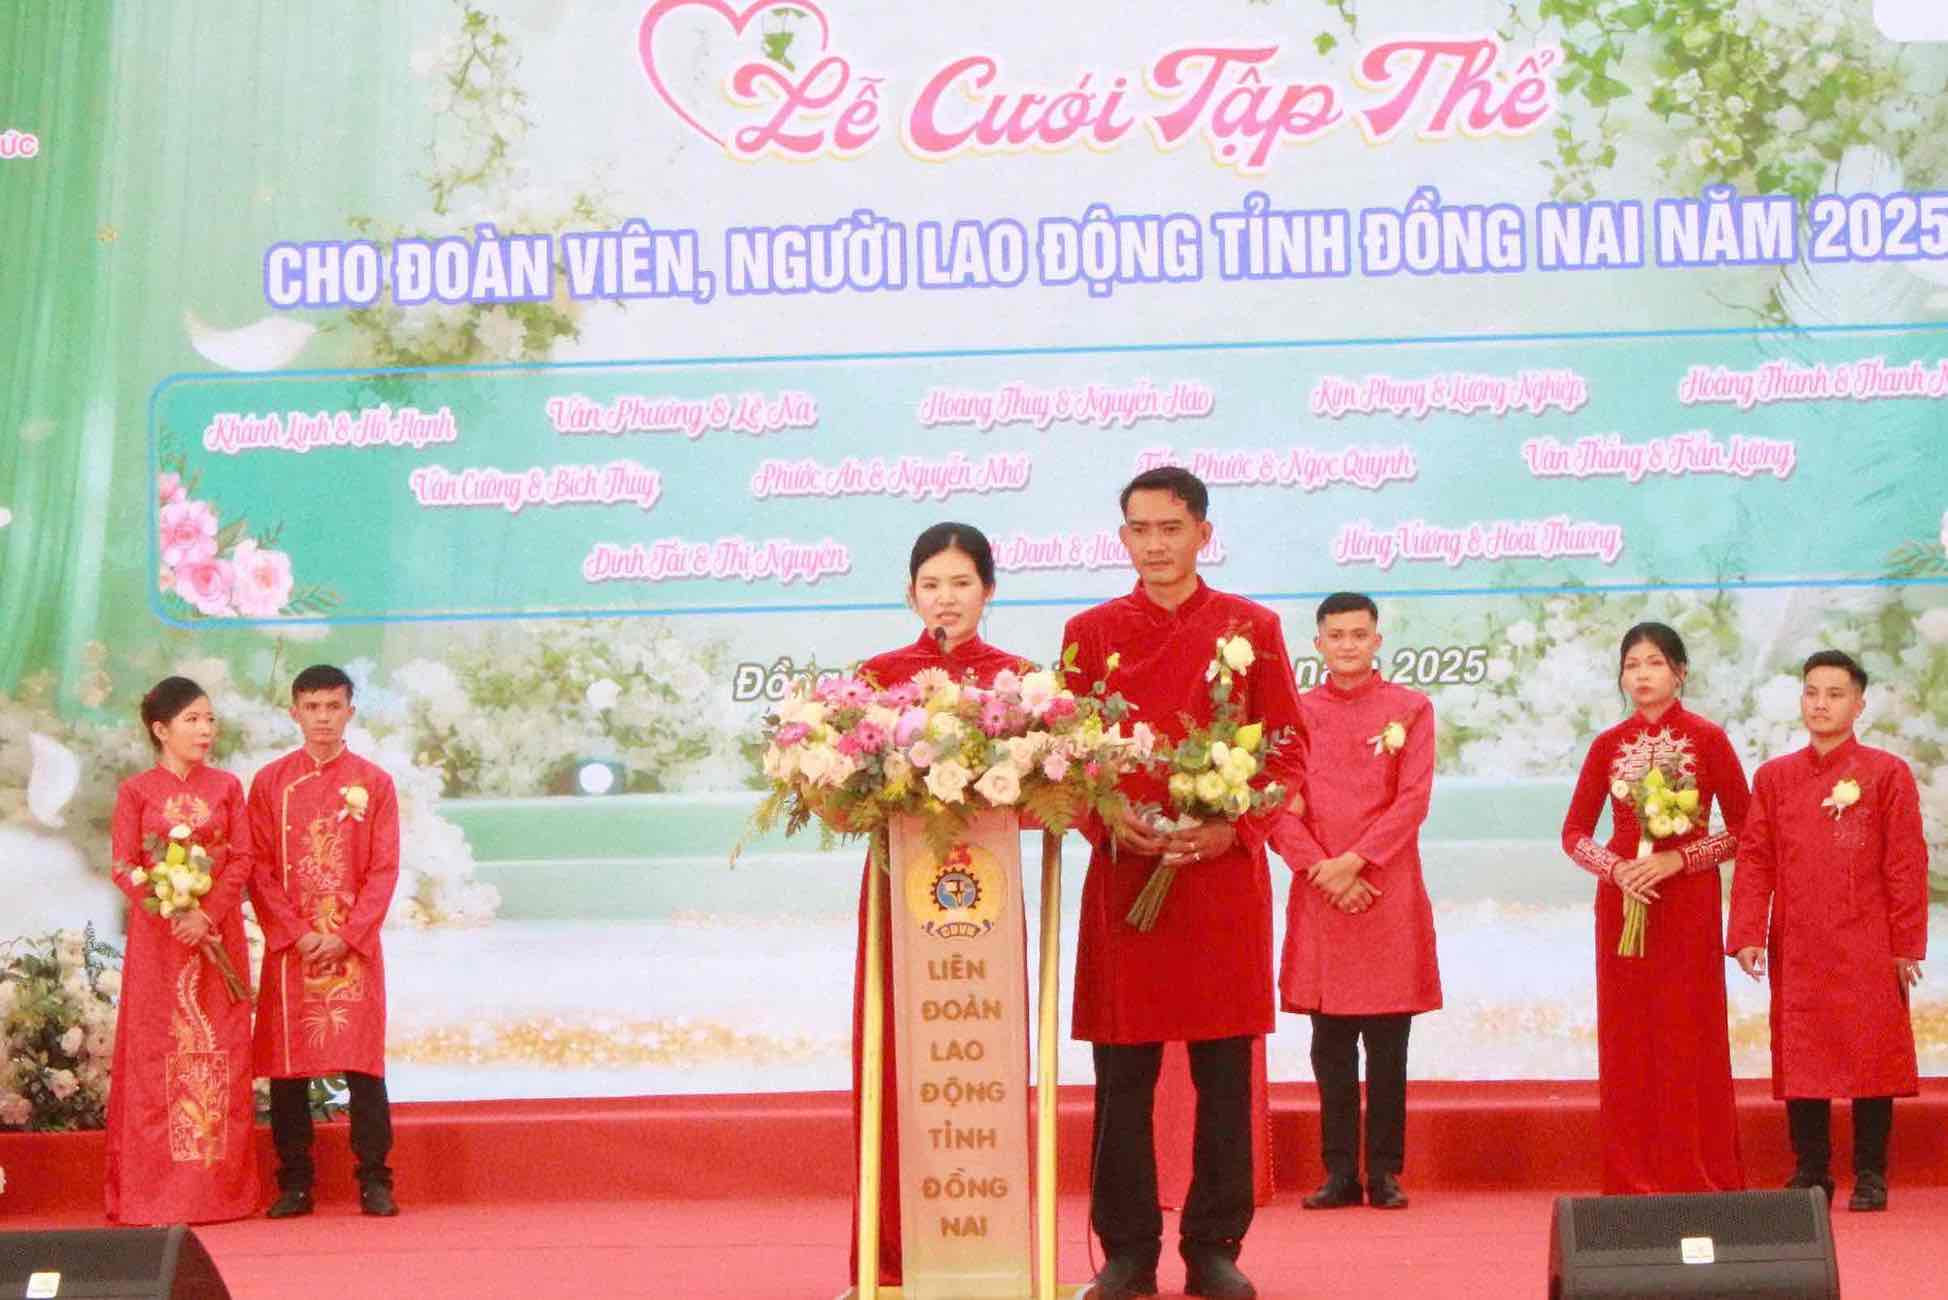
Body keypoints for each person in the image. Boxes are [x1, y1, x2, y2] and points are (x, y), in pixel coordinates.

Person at [1059, 468, 1304, 1300]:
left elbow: (1287, 751)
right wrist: (1104, 815)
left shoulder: (1252, 628)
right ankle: (1128, 1253)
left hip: (1218, 882)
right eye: (1140, 529)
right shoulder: (1089, 633)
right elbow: (1064, 757)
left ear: (1204, 532)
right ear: (1122, 538)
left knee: (1224, 1077)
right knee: (1122, 1080)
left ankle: (1213, 1248)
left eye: (1171, 528)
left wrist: (1234, 827)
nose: (1156, 544)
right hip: (1126, 880)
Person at [849, 522, 1033, 1290]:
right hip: (900, 895)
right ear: (910, 593)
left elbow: (1044, 797)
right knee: (900, 1059)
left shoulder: (1021, 684)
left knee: (983, 1060)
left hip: (985, 905)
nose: (946, 599)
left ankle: (990, 1254)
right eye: (932, 585)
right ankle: (895, 1260)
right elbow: (844, 800)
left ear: (989, 590)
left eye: (961, 584)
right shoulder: (875, 680)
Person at [1728, 650, 1928, 1211]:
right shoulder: (1775, 777)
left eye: (1835, 694)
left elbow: (1905, 863)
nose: (1821, 704)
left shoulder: (1886, 773)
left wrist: (1906, 944)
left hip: (1869, 940)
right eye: (1812, 692)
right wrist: (1747, 931)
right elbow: (1756, 858)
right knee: (1803, 1053)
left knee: (1872, 1053)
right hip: (1798, 942)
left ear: (1859, 704)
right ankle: (1812, 1171)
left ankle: (1871, 1172)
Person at [1559, 622, 1749, 1194]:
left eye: (1655, 663)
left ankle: (1695, 1173)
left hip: (1687, 904)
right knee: (1629, 1037)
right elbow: (1573, 834)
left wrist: (1679, 860)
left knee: (1687, 1033)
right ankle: (1632, 1178)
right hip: (1623, 905)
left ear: (1680, 672)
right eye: (1632, 665)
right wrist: (1616, 869)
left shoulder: (1708, 738)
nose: (1642, 675)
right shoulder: (1607, 744)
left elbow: (1745, 829)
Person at [1271, 593, 1441, 1212]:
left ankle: (1386, 1173)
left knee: (1389, 1046)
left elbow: (1413, 800)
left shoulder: (1411, 708)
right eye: (1336, 635)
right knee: (1331, 1045)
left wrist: (1357, 863)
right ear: (1318, 644)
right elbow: (1275, 805)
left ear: (1377, 641)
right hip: (1322, 891)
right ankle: (1339, 1172)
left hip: (1386, 890)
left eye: (1359, 634)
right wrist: (1323, 869)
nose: (1348, 645)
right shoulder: (1293, 714)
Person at [248, 664, 401, 1218]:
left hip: (352, 947)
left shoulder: (374, 783)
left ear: (350, 712)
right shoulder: (270, 783)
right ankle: (295, 1182)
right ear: (294, 713)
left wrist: (350, 934)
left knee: (363, 1064)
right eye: (312, 707)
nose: (322, 718)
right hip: (295, 949)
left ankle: (375, 1179)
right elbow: (258, 867)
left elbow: (383, 869)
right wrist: (295, 932)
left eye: (333, 707)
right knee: (288, 1068)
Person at [105, 676, 258, 1224]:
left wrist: (206, 914)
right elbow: (123, 865)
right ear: (160, 729)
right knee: (158, 1057)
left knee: (220, 1052)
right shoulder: (136, 791)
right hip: (160, 944)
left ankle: (217, 1191)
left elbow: (242, 858)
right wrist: (172, 907)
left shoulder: (227, 787)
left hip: (216, 939)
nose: (205, 729)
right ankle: (156, 1195)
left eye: (209, 719)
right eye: (192, 719)